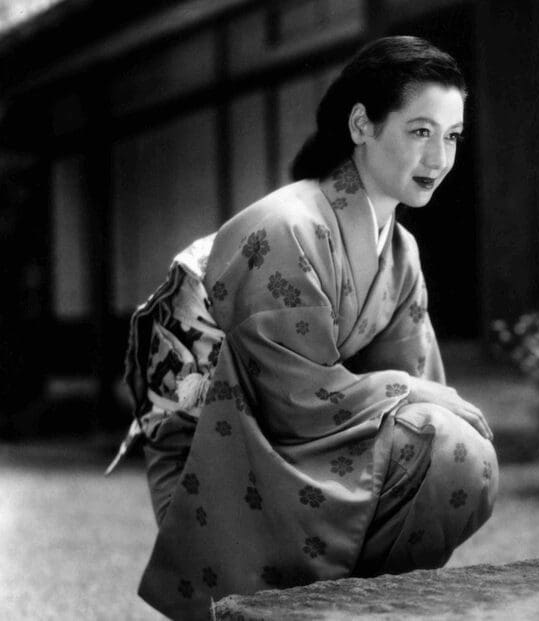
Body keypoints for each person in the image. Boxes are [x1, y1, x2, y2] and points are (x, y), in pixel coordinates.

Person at [108, 36, 498, 620]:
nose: (439, 158)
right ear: (362, 124)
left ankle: (362, 609)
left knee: (455, 455)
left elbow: (418, 384)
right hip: (223, 439)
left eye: (451, 136)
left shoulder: (401, 250)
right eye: (420, 131)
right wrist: (418, 396)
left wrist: (427, 400)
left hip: (307, 430)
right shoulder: (285, 225)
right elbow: (295, 398)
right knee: (438, 438)